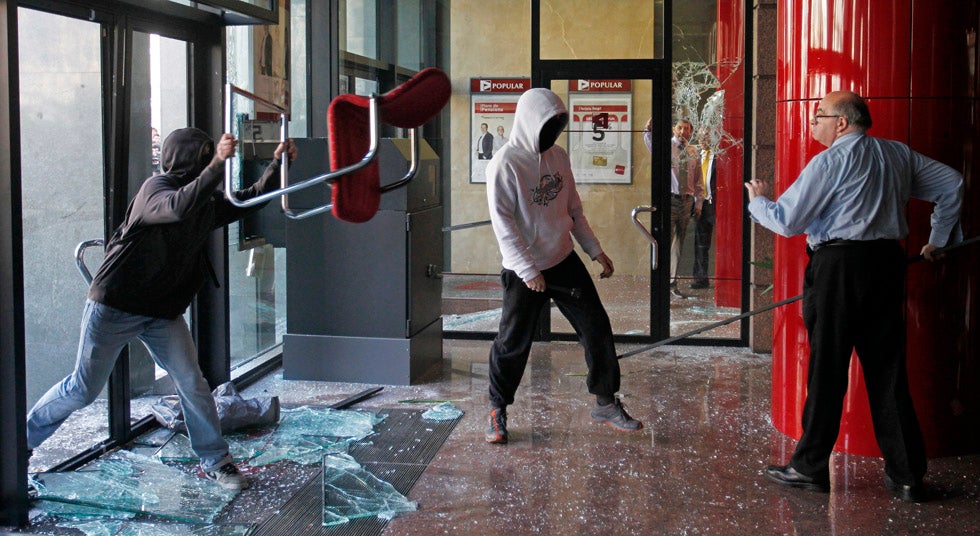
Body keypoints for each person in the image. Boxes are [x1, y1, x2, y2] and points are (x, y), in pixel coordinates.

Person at [26, 128, 298, 491]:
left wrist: (278, 164)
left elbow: (246, 201)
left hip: (161, 312)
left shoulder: (202, 201)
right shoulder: (155, 189)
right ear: (187, 157)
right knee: (82, 390)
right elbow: (177, 207)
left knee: (192, 383)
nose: (207, 160)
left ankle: (217, 461)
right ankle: (18, 445)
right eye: (203, 155)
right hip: (115, 306)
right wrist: (218, 164)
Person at [745, 90, 963, 502]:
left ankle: (809, 467)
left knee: (827, 368)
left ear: (842, 122)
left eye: (819, 116)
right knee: (889, 373)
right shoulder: (898, 155)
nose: (813, 123)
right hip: (886, 267)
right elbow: (952, 183)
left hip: (839, 269)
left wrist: (758, 202)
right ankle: (906, 476)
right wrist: (938, 240)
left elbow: (789, 221)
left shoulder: (829, 161)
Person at [484, 88, 642, 444]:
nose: (552, 133)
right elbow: (503, 224)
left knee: (596, 326)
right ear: (529, 123)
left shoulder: (559, 157)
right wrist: (528, 271)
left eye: (557, 125)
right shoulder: (505, 164)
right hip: (523, 269)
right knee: (513, 342)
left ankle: (605, 401)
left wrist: (594, 250)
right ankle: (497, 409)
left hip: (562, 259)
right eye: (547, 125)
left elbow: (573, 210)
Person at [644, 117, 704, 298]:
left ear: (691, 131)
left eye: (687, 128)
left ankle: (672, 283)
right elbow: (650, 143)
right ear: (673, 129)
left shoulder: (693, 151)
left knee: (679, 244)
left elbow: (698, 181)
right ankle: (660, 284)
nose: (683, 131)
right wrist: (647, 130)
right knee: (665, 242)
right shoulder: (666, 146)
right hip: (669, 200)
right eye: (680, 127)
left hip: (686, 202)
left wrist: (698, 203)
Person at [691, 128, 716, 289]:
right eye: (699, 136)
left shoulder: (719, 155)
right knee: (701, 243)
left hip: (717, 203)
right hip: (701, 204)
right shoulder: (695, 155)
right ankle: (701, 278)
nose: (701, 139)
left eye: (705, 136)